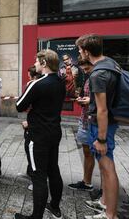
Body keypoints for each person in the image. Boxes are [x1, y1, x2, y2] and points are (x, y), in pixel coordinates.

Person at [15, 49, 66, 219]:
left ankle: (36, 216)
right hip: (54, 131)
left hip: (38, 135)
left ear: (44, 63)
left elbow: (19, 105)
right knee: (53, 170)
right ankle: (55, 207)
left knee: (38, 176)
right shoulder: (60, 81)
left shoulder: (37, 83)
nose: (35, 64)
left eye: (37, 61)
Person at [76, 34, 119, 219]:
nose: (79, 53)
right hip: (108, 124)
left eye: (79, 50)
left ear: (86, 51)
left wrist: (101, 139)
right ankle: (104, 202)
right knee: (105, 168)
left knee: (107, 169)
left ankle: (110, 215)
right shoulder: (109, 63)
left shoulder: (98, 74)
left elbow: (102, 110)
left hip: (102, 126)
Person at [68, 58, 95, 192]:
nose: (84, 71)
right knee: (87, 152)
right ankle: (87, 181)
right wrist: (84, 100)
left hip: (93, 121)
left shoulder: (98, 77)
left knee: (93, 154)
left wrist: (88, 101)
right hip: (85, 118)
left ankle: (92, 185)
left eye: (86, 68)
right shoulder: (89, 77)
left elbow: (103, 101)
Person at [20, 65, 41, 191]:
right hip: (36, 122)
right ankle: (30, 173)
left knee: (31, 150)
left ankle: (35, 179)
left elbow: (22, 105)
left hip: (33, 123)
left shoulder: (32, 85)